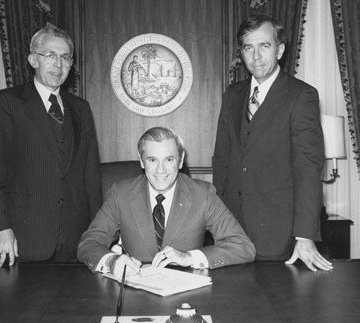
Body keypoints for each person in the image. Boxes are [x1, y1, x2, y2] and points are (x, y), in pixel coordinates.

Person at [212, 14, 332, 271]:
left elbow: (308, 168)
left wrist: (305, 235)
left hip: (278, 236)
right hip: (230, 231)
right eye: (248, 48)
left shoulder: (302, 96)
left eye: (264, 46)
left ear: (279, 50)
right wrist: (216, 219)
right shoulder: (233, 94)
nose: (255, 57)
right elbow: (221, 160)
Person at [0, 24, 102, 267]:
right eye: (51, 56)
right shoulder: (7, 102)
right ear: (33, 59)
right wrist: (1, 229)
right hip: (24, 239)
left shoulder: (81, 108)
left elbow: (91, 177)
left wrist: (100, 232)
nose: (59, 64)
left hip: (76, 239)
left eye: (66, 57)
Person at [77, 126, 255, 277]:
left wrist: (189, 257)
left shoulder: (203, 194)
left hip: (185, 293)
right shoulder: (121, 193)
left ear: (181, 160)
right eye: (152, 160)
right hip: (134, 291)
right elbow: (88, 243)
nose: (160, 170)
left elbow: (242, 247)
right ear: (141, 161)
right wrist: (112, 261)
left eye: (169, 159)